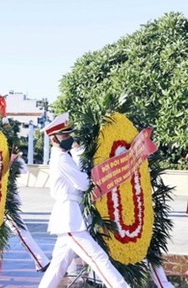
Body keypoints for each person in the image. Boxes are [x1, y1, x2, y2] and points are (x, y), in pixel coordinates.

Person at [38, 113, 129, 288]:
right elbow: (82, 183)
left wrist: (80, 153)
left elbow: (80, 175)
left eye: (68, 134)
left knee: (58, 265)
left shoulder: (65, 157)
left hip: (71, 216)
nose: (68, 137)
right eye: (64, 135)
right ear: (53, 138)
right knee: (98, 258)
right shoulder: (61, 158)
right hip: (69, 218)